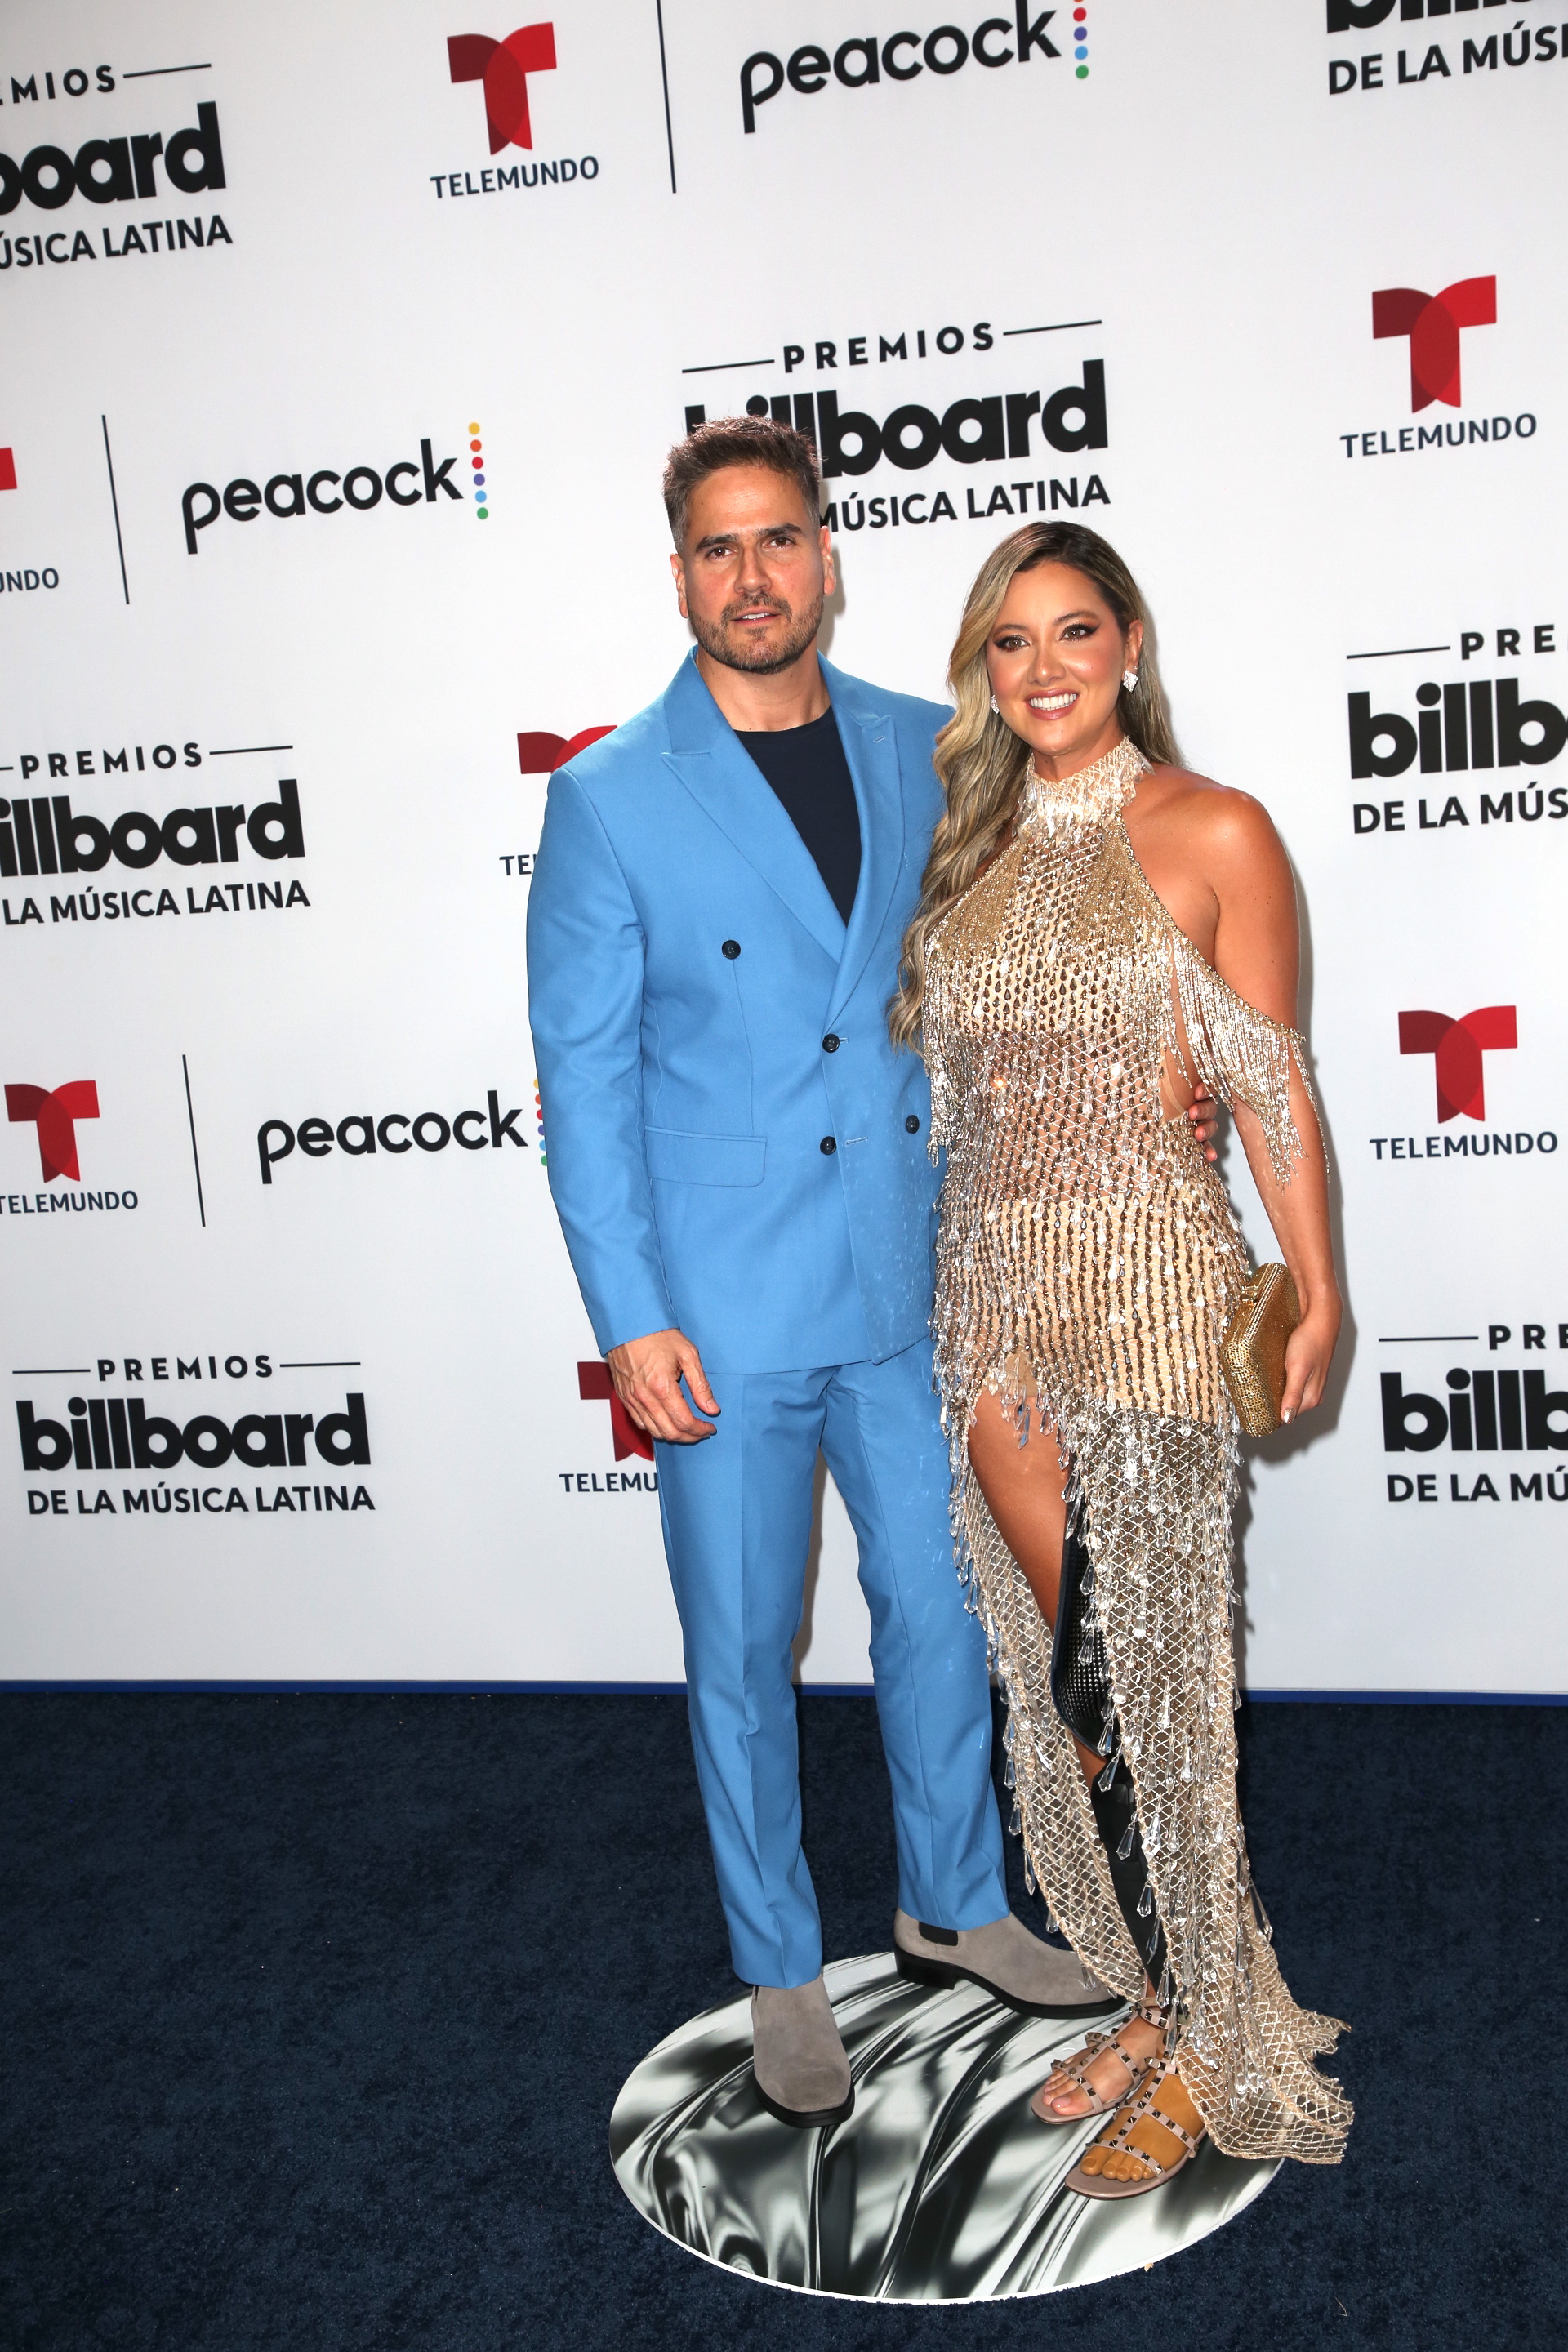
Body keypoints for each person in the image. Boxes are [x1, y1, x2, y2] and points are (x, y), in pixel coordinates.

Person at [526, 422, 1121, 2131]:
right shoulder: (610, 794)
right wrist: (629, 1313)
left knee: (942, 1612)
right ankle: (780, 1960)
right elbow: (587, 1085)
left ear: (829, 554)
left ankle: (952, 1898)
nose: (754, 576)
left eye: (780, 540)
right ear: (681, 577)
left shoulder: (925, 747)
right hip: (714, 1303)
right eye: (718, 550)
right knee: (743, 1639)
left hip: (912, 1277)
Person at [890, 521, 1353, 2198]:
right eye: (1008, 646)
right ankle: (1164, 1999)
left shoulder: (1213, 826)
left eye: (1074, 632)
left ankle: (1221, 2038)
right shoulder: (977, 846)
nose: (1043, 671)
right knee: (1086, 1690)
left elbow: (1269, 1085)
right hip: (989, 1298)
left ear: (1132, 643)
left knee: (1166, 1682)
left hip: (1150, 1289)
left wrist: (1314, 1287)